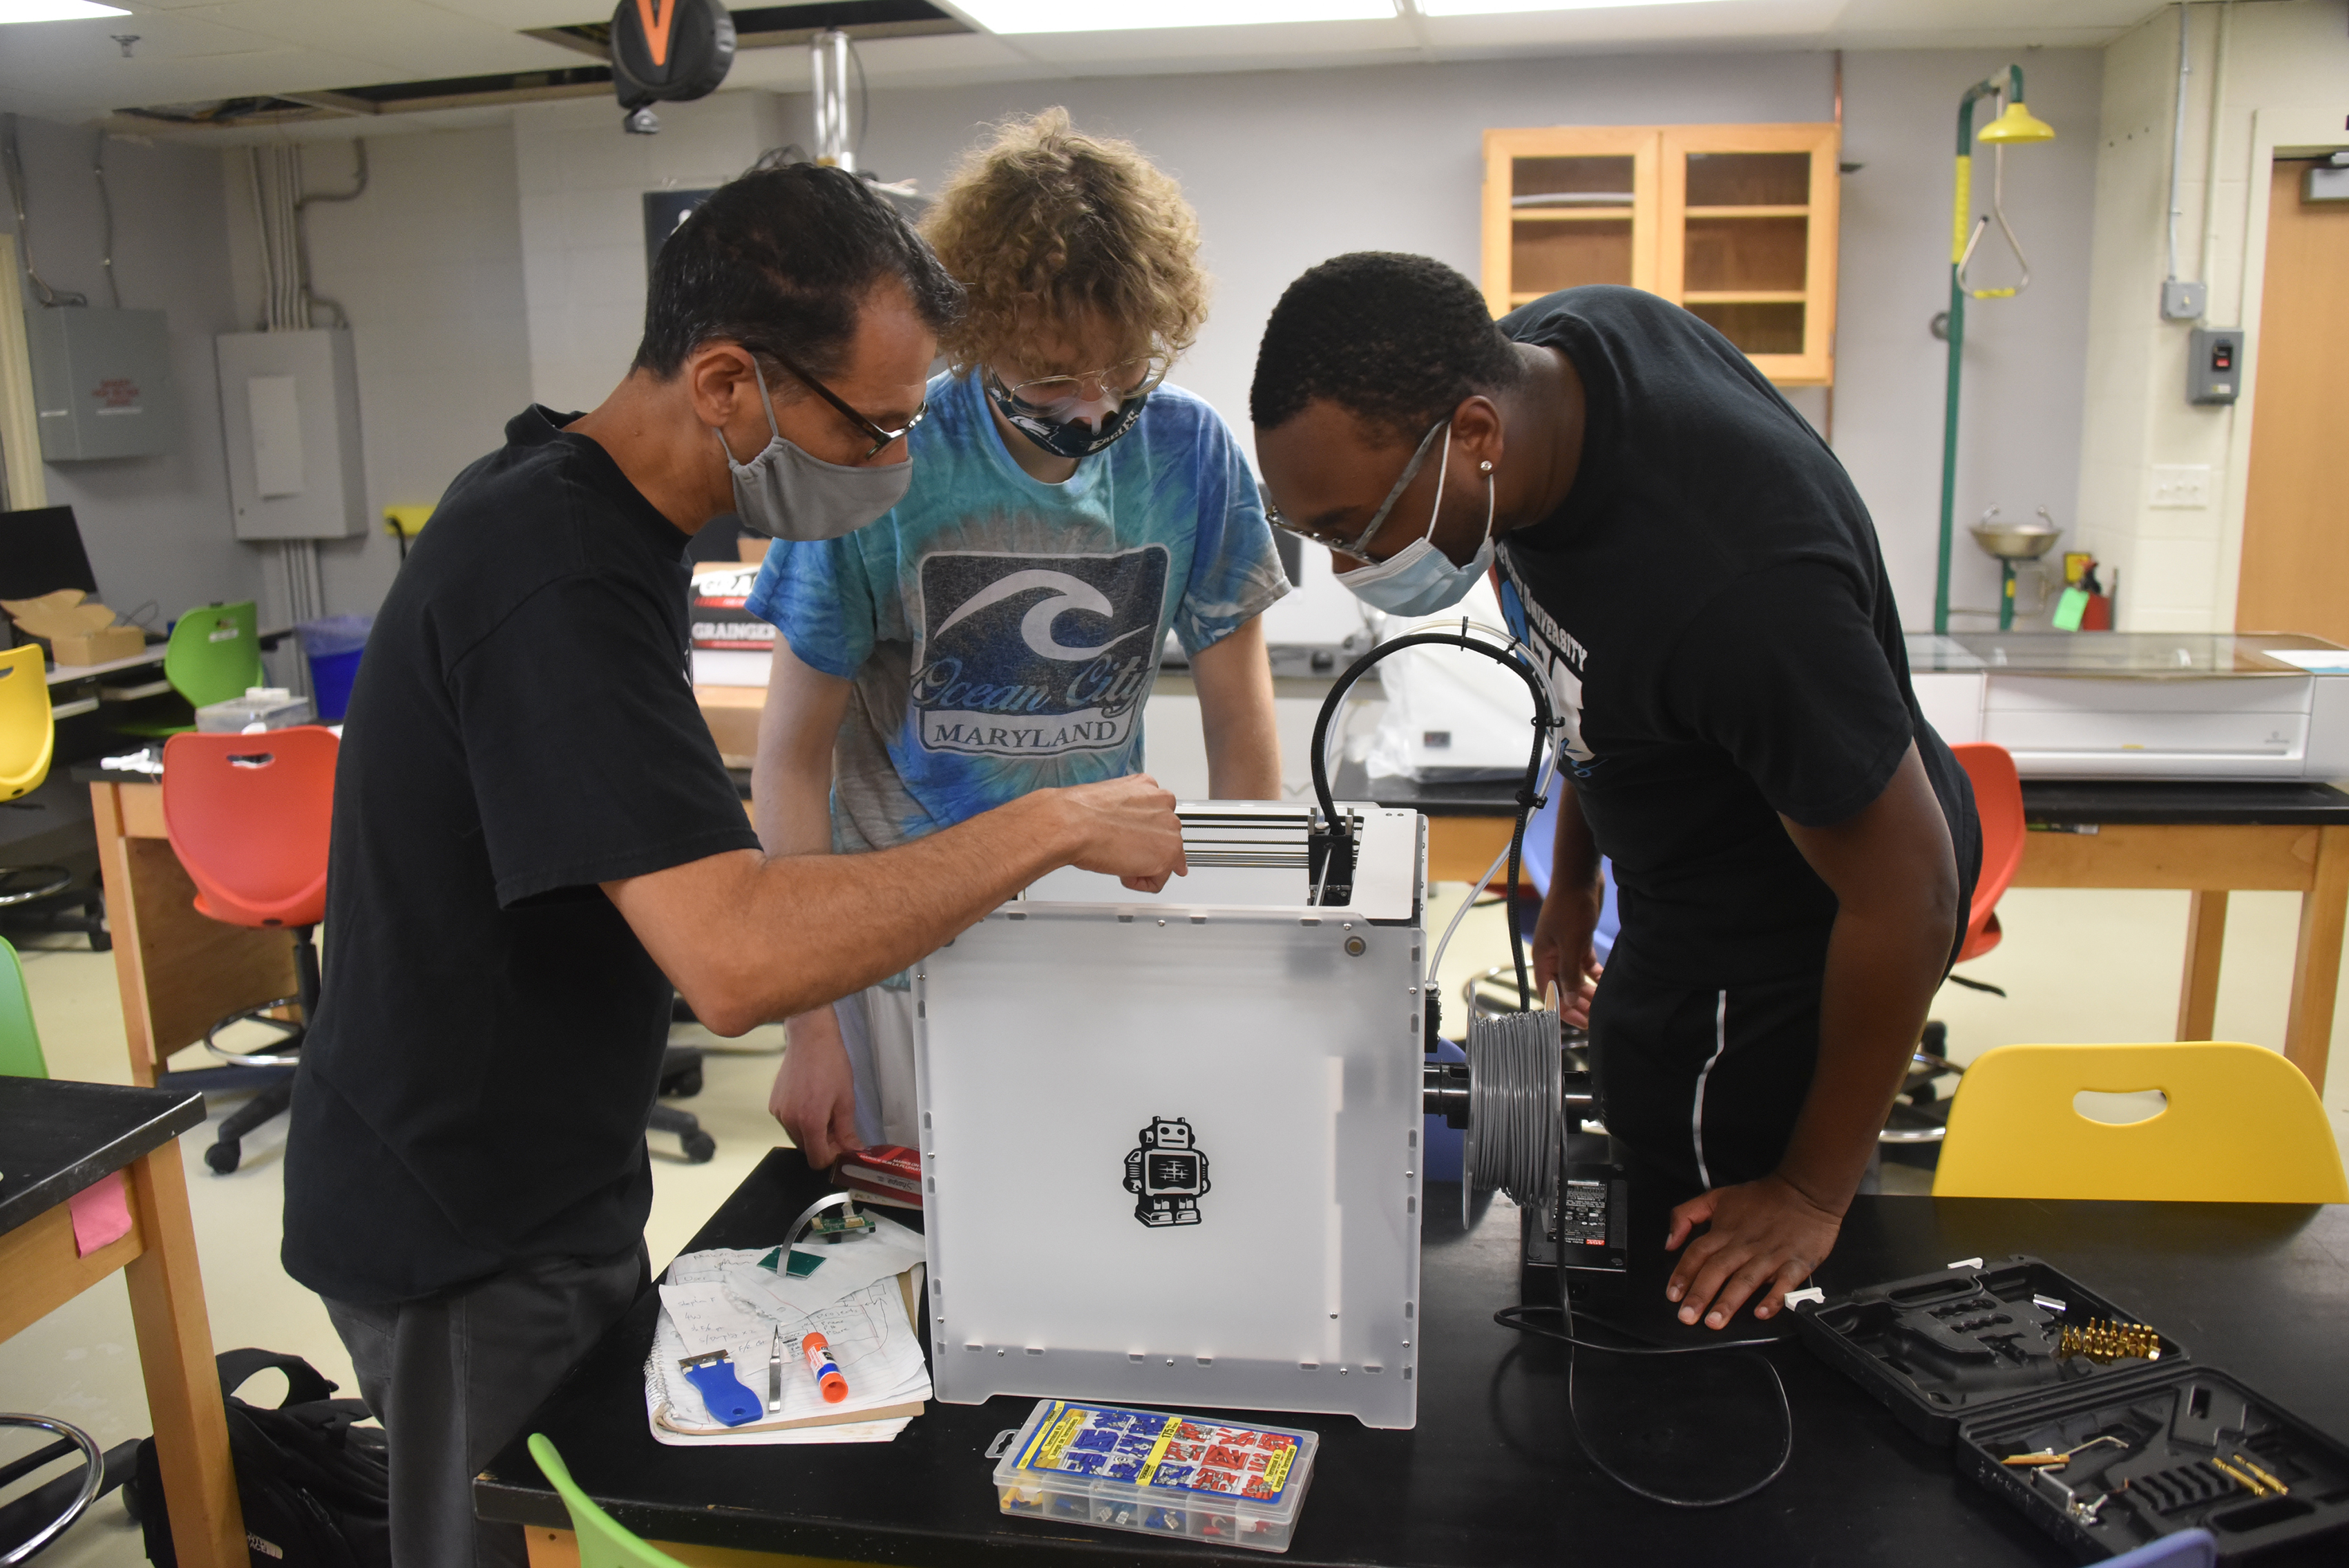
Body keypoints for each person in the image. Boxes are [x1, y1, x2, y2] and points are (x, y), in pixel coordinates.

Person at [280, 164, 1187, 1568]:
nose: (894, 463)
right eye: (875, 427)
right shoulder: (552, 572)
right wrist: (1050, 823)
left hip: (536, 1177)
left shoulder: (567, 501)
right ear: (725, 384)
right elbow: (734, 956)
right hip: (459, 1218)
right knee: (511, 1540)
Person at [1248, 257, 1980, 1335]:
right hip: (1701, 851)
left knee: (1708, 1242)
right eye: (1319, 536)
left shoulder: (1740, 585)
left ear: (1478, 434)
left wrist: (1808, 1193)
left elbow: (1910, 895)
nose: (1351, 565)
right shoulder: (1557, 359)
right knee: (1634, 1086)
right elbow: (1589, 656)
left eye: (1356, 525)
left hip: (1809, 915)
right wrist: (1575, 873)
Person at [750, 111, 1288, 1165]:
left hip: (1097, 933)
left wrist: (1250, 943)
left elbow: (1242, 720)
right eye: (1051, 378)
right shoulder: (886, 464)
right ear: (979, 336)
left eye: (1122, 371)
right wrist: (807, 1023)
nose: (1091, 411)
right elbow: (788, 754)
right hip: (901, 954)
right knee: (927, 1257)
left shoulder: (1189, 453)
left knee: (1095, 1212)